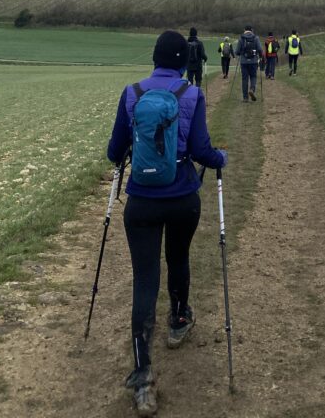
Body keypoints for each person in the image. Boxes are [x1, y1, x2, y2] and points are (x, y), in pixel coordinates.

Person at [107, 30, 227, 417]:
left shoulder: (132, 93)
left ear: (154, 59)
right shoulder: (191, 95)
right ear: (181, 62)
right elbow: (201, 150)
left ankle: (142, 376)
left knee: (144, 279)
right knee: (178, 258)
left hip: (141, 201)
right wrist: (220, 159)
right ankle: (178, 320)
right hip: (181, 199)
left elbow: (113, 153)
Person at [235, 24, 263, 101]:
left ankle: (245, 98)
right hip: (253, 61)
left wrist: (240, 53)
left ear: (244, 30)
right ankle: (252, 89)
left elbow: (237, 51)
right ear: (252, 30)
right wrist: (260, 56)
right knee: (253, 76)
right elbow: (260, 49)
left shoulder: (241, 38)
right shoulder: (256, 38)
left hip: (244, 62)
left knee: (244, 79)